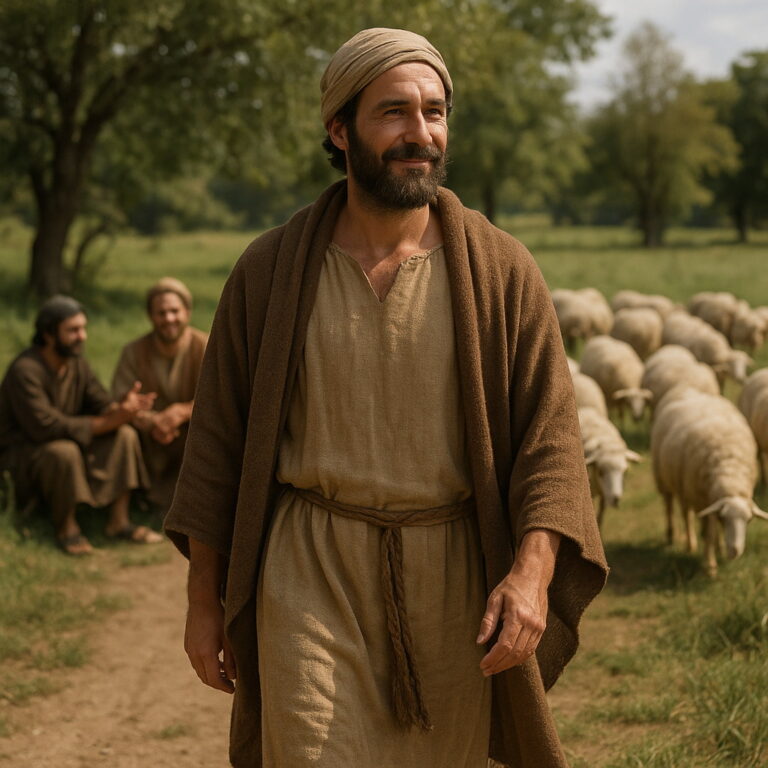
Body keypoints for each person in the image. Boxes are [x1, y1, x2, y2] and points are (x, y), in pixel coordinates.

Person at [165, 28, 608, 768]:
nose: (421, 134)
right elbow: (217, 445)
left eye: (435, 112)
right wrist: (202, 603)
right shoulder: (269, 271)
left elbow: (551, 440)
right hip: (311, 570)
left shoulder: (499, 270)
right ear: (339, 130)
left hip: (454, 582)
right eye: (394, 112)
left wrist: (530, 576)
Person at [0, 295, 163, 555]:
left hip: (66, 440)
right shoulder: (25, 371)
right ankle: (67, 528)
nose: (82, 336)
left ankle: (118, 522)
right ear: (49, 335)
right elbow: (45, 427)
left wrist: (123, 409)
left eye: (83, 328)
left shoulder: (77, 365)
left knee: (124, 435)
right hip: (24, 454)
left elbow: (100, 401)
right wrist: (107, 420)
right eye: (73, 330)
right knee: (64, 452)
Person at [111, 278, 208, 512]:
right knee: (122, 434)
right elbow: (118, 402)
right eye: (161, 313)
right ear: (150, 316)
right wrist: (154, 420)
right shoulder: (133, 352)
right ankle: (128, 510)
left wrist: (182, 412)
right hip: (147, 436)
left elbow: (223, 399)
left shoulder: (206, 345)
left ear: (187, 312)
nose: (169, 319)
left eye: (175, 311)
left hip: (192, 432)